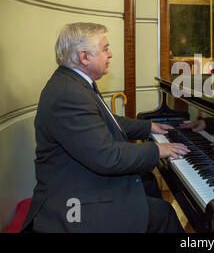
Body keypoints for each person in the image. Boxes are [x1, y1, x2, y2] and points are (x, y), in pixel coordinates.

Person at [21, 22, 189, 233]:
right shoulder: (69, 94)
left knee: (147, 181)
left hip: (81, 178)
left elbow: (108, 121)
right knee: (164, 213)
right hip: (74, 199)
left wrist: (148, 127)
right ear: (84, 57)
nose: (110, 54)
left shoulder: (74, 82)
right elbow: (107, 157)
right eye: (105, 48)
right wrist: (157, 150)